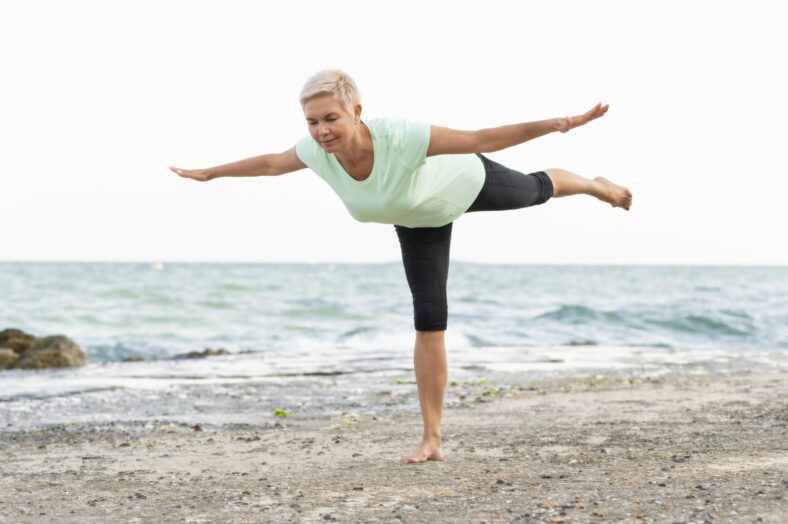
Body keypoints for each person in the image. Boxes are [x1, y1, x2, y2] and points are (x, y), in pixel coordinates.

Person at [170, 69, 632, 464]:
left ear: (355, 112)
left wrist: (559, 123)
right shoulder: (315, 152)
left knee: (535, 190)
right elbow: (271, 163)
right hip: (418, 219)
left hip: (464, 182)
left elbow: (480, 139)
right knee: (429, 321)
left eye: (331, 118)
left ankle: (596, 186)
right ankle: (432, 439)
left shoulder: (400, 136)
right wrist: (211, 172)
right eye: (312, 121)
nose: (321, 130)